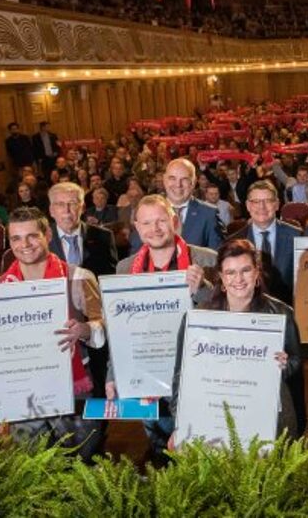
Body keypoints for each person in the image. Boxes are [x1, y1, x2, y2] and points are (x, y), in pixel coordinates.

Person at [107, 195, 215, 464]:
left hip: (194, 370)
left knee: (197, 446)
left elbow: (224, 313)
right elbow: (118, 330)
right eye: (146, 223)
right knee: (157, 444)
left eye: (161, 221)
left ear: (174, 221)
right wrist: (113, 373)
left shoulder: (206, 260)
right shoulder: (124, 269)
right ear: (137, 228)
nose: (154, 229)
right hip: (146, 370)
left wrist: (202, 288)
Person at [0, 207, 106, 461]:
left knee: (81, 459)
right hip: (23, 387)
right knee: (32, 464)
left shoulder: (78, 277)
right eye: (16, 238)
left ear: (47, 234)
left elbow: (103, 328)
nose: (25, 244)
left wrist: (85, 329)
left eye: (32, 236)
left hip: (73, 384)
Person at [170, 239, 302, 445]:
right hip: (213, 417)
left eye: (245, 270)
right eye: (230, 272)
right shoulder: (198, 318)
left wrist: (283, 365)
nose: (238, 279)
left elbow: (295, 365)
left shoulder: (282, 314)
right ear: (221, 277)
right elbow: (182, 375)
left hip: (268, 420)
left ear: (257, 272)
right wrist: (180, 422)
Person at [228, 180, 299, 303]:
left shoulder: (297, 236)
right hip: (249, 311)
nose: (262, 207)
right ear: (248, 206)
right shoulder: (233, 242)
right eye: (256, 201)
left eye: (268, 201)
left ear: (277, 204)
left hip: (290, 309)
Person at [158, 158, 223, 252]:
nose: (178, 184)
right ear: (164, 180)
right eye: (172, 178)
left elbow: (218, 257)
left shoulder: (209, 214)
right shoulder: (149, 212)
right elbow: (136, 255)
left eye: (184, 179)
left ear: (193, 182)